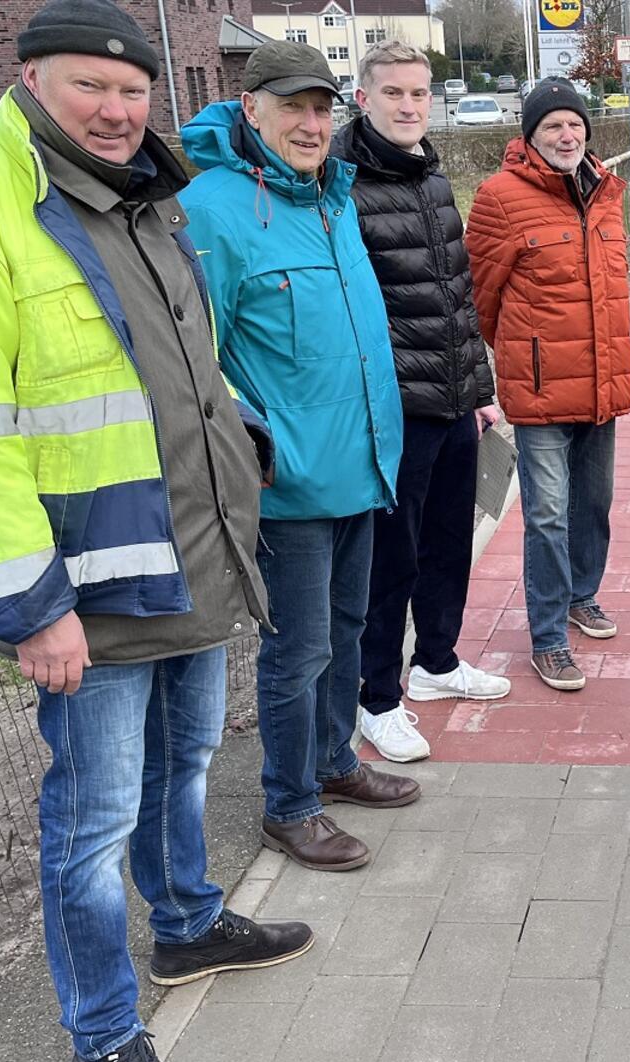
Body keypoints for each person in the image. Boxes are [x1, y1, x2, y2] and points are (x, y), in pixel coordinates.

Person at [0, 3, 314, 1062]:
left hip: (194, 551)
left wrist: (241, 439)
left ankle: (190, 919)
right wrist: (32, 605)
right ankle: (103, 1035)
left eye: (131, 91)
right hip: (90, 587)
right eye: (90, 88)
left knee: (188, 764)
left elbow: (182, 363)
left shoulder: (143, 200)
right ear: (28, 81)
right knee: (92, 821)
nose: (117, 111)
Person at [181, 41, 419, 873]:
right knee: (298, 649)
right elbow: (193, 357)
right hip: (289, 482)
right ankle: (289, 802)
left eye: (322, 109)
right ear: (251, 110)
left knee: (346, 631)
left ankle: (332, 760)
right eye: (293, 108)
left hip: (360, 462)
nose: (312, 124)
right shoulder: (210, 210)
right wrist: (257, 439)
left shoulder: (331, 197)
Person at [332, 41, 512, 764]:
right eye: (394, 94)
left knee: (448, 546)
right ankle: (377, 697)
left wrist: (480, 393)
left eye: (419, 93)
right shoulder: (343, 183)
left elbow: (456, 298)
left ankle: (436, 662)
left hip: (454, 400)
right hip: (395, 410)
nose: (410, 106)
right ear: (364, 97)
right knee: (390, 560)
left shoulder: (431, 176)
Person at [466, 77, 630, 692]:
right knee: (546, 515)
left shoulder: (606, 192)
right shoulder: (499, 198)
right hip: (539, 391)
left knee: (594, 505)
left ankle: (581, 595)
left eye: (575, 125)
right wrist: (522, 357)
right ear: (530, 137)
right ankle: (547, 638)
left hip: (602, 384)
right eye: (552, 127)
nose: (567, 135)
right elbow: (480, 299)